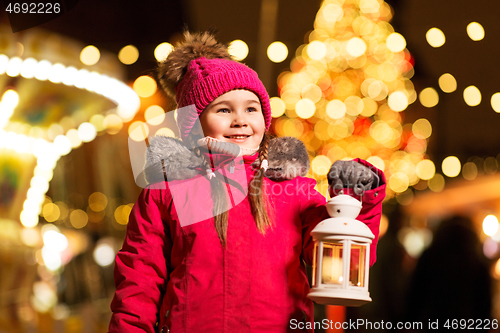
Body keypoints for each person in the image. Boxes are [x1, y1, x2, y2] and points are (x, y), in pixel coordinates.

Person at [108, 31, 386, 333]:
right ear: (195, 124)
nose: (240, 119)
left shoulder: (292, 189)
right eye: (224, 109)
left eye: (251, 108)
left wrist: (357, 196)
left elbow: (344, 256)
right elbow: (139, 283)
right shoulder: (168, 193)